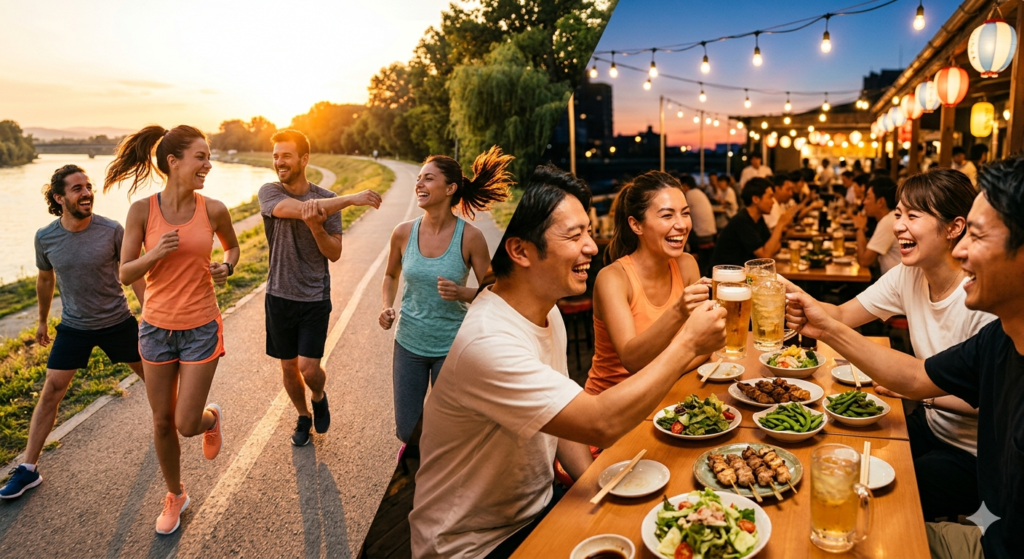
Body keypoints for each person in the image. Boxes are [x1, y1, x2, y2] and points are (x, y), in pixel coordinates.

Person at [408, 165, 726, 559]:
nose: (592, 246)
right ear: (520, 250)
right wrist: (687, 343)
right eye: (575, 235)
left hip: (539, 507)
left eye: (589, 232)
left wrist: (601, 487)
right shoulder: (487, 341)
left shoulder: (546, 311)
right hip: (474, 544)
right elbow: (598, 422)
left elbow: (565, 427)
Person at [785, 156, 1024, 559]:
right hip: (933, 429)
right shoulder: (998, 338)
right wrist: (808, 309)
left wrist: (918, 395)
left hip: (969, 456)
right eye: (898, 213)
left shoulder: (989, 310)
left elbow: (943, 391)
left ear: (954, 228)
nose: (962, 253)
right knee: (838, 456)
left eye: (912, 215)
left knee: (872, 501)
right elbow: (915, 376)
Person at [107, 125, 239, 535]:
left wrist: (227, 266)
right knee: (162, 422)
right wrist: (156, 253)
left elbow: (232, 247)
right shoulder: (142, 211)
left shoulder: (213, 209)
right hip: (155, 329)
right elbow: (125, 272)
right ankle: (176, 494)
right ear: (173, 161)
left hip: (201, 326)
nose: (208, 164)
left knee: (185, 423)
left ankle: (209, 417)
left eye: (207, 156)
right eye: (200, 156)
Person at [0, 165, 147, 500]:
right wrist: (40, 321)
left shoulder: (112, 230)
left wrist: (150, 314)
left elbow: (134, 273)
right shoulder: (46, 237)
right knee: (52, 390)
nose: (86, 193)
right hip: (74, 327)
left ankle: (166, 430)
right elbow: (45, 279)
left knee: (154, 379)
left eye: (88, 186)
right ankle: (27, 469)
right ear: (58, 197)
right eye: (77, 189)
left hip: (117, 322)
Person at [379, 146, 513, 449]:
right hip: (409, 343)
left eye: (428, 179)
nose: (419, 184)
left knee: (452, 431)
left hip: (452, 347)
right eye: (418, 179)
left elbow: (495, 290)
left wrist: (462, 293)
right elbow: (390, 275)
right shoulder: (402, 233)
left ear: (450, 188)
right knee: (406, 430)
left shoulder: (470, 237)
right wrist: (386, 307)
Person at [259, 129, 382, 446]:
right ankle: (302, 416)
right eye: (275, 156)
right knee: (288, 369)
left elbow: (334, 253)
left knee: (308, 368)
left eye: (286, 155)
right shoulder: (269, 192)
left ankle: (318, 393)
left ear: (304, 159)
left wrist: (317, 227)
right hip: (278, 295)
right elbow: (299, 210)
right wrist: (352, 199)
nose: (279, 162)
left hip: (314, 297)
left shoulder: (328, 201)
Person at [586, 171, 711, 395]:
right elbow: (632, 361)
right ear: (636, 225)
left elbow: (706, 343)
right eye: (667, 216)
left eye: (685, 213)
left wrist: (676, 364)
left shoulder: (686, 265)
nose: (682, 225)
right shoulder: (613, 279)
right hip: (613, 405)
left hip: (668, 394)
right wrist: (679, 311)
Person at [711, 178, 797, 267]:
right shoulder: (742, 221)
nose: (773, 202)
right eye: (770, 197)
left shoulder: (758, 219)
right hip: (726, 276)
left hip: (745, 274)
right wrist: (780, 223)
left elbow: (775, 247)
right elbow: (765, 256)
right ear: (756, 199)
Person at [854, 176, 901, 274]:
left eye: (868, 197)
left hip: (898, 288)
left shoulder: (889, 222)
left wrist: (859, 228)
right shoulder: (891, 218)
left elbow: (864, 261)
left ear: (880, 202)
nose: (864, 202)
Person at [677, 174, 716, 242]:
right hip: (710, 232)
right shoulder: (698, 192)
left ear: (686, 185)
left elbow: (680, 212)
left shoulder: (690, 194)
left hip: (701, 234)